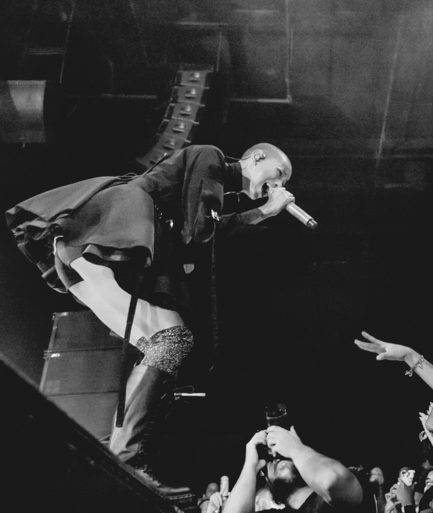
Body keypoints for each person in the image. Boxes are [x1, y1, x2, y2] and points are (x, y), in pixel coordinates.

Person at [5, 143, 296, 492]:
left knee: (166, 344)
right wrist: (264, 211)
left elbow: (203, 231)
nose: (279, 184)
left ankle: (121, 457)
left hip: (84, 245)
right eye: (279, 174)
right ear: (257, 157)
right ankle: (127, 458)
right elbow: (199, 233)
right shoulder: (212, 158)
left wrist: (260, 211)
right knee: (172, 338)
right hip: (107, 232)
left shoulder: (214, 186)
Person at [223, 425, 363, 513]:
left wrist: (295, 449)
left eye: (283, 455)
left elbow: (332, 479)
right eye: (270, 460)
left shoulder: (326, 499)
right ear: (267, 480)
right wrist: (250, 465)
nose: (276, 457)